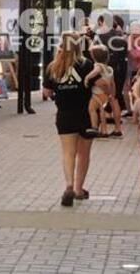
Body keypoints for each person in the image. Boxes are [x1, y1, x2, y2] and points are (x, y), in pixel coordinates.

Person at [42, 32, 96, 206]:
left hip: (64, 114)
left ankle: (69, 186)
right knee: (84, 154)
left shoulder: (53, 66)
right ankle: (79, 189)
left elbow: (46, 92)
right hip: (85, 114)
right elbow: (97, 86)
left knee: (68, 152)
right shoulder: (87, 65)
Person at [84, 44, 123, 138]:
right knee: (102, 110)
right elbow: (112, 83)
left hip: (97, 93)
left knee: (92, 109)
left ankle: (95, 127)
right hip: (106, 94)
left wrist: (87, 77)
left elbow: (96, 72)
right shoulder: (109, 69)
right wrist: (112, 94)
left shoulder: (98, 65)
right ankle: (105, 130)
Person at [96, 15, 130, 121]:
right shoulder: (121, 38)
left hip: (106, 68)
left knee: (104, 94)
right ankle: (115, 120)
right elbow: (126, 53)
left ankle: (106, 115)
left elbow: (94, 52)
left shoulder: (100, 37)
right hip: (121, 68)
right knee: (115, 95)